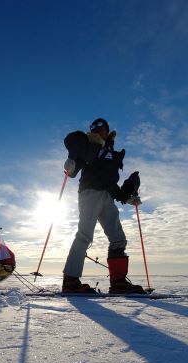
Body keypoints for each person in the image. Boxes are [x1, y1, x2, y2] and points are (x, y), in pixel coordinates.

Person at [61, 118, 146, 294]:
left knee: (118, 238)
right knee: (84, 236)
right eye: (95, 127)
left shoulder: (110, 152)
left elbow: (110, 182)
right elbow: (72, 140)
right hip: (90, 193)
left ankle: (118, 282)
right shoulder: (88, 144)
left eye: (102, 128)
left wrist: (127, 197)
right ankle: (70, 281)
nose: (99, 130)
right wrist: (71, 159)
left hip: (107, 196)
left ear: (108, 131)